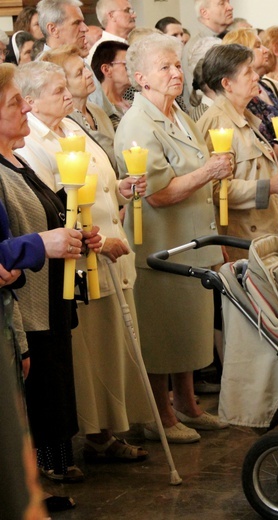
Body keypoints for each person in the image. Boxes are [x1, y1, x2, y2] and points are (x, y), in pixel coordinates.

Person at [14, 58, 152, 462]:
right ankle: (85, 437)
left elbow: (100, 184)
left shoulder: (73, 127)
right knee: (89, 356)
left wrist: (123, 188)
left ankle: (106, 433)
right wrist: (100, 241)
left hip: (111, 252)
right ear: (32, 101)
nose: (70, 95)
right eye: (58, 91)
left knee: (113, 351)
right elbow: (54, 208)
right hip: (80, 260)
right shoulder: (32, 140)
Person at [114, 33, 233, 444]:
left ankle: (188, 403)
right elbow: (158, 193)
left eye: (177, 65)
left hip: (191, 239)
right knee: (163, 331)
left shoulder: (179, 114)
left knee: (189, 330)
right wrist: (209, 172)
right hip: (161, 245)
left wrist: (214, 171)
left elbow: (197, 168)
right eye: (165, 67)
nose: (176, 73)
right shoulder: (137, 123)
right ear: (141, 78)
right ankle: (159, 415)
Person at [0, 63, 101, 484]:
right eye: (12, 104)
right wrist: (44, 244)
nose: (25, 109)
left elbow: (44, 213)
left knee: (54, 389)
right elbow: (14, 246)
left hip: (46, 297)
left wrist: (75, 235)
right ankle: (36, 480)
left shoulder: (18, 160)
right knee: (36, 396)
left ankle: (50, 472)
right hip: (27, 305)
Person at [195, 43, 278, 260]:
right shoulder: (217, 123)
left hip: (262, 230)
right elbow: (215, 190)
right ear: (227, 83)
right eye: (247, 72)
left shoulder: (245, 116)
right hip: (239, 239)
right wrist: (269, 186)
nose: (255, 77)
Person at [222, 28, 278, 144]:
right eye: (258, 46)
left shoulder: (264, 85)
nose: (266, 50)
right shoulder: (242, 95)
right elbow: (260, 144)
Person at [183, 0, 234, 103]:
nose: (230, 7)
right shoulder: (197, 47)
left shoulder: (232, 38)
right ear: (204, 13)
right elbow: (199, 94)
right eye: (222, 3)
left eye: (228, 2)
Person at [91, 40, 131, 127]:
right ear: (106, 69)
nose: (133, 69)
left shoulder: (133, 102)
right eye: (127, 65)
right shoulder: (99, 111)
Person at [86, 0, 136, 65]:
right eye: (127, 11)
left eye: (132, 11)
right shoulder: (100, 52)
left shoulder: (134, 42)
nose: (134, 15)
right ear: (111, 16)